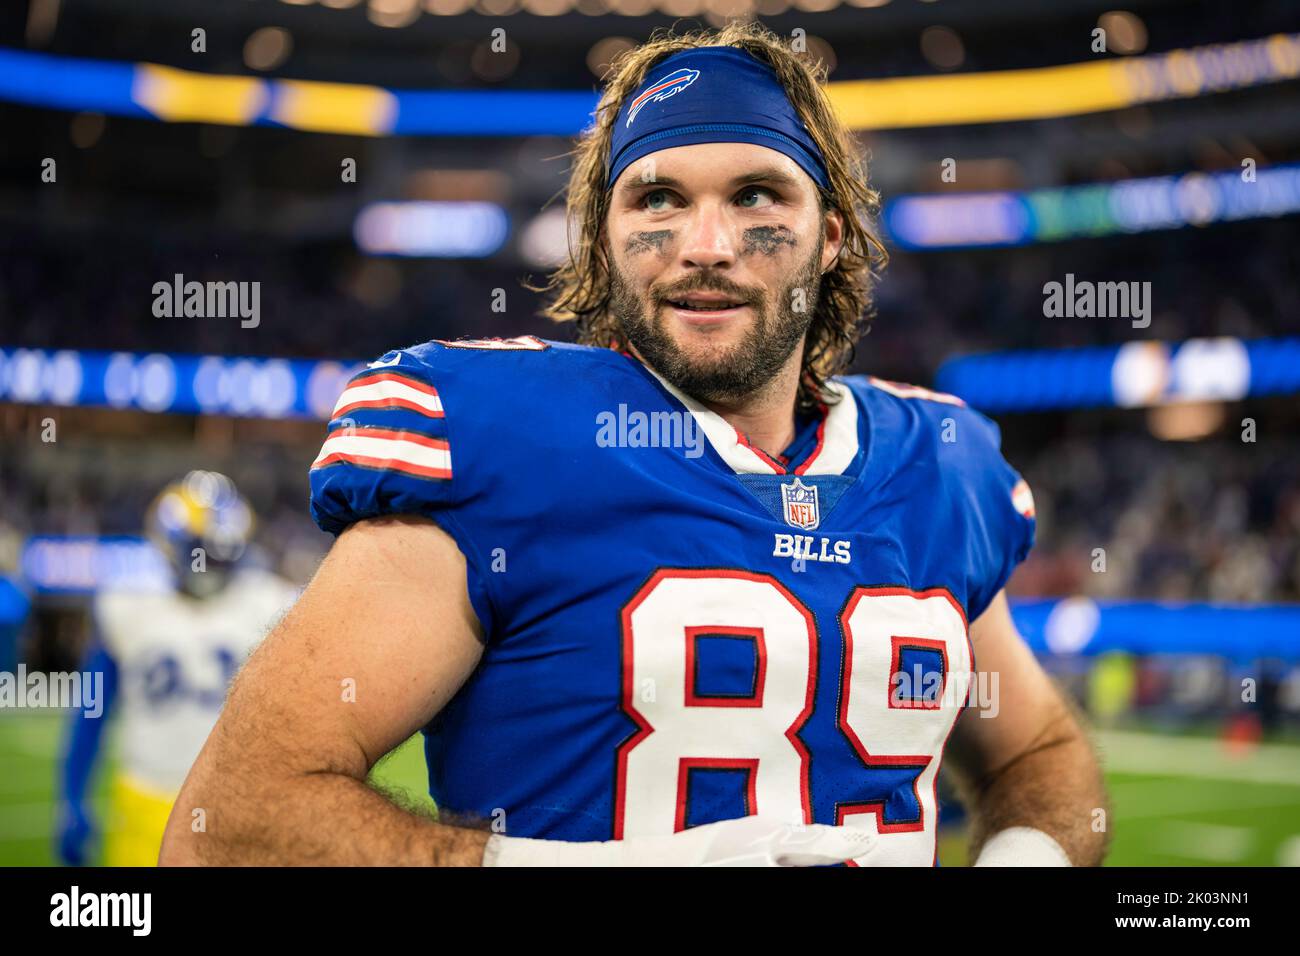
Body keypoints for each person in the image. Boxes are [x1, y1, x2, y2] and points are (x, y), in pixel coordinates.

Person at [161, 22, 1106, 867]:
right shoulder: (501, 440)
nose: (704, 243)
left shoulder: (938, 466)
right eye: (655, 198)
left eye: (756, 195)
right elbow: (229, 825)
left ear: (833, 239)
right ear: (601, 243)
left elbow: (1040, 754)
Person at [57, 471, 297, 866]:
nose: (209, 564)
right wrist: (72, 795)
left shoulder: (269, 603)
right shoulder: (128, 606)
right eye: (200, 549)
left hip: (239, 806)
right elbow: (91, 710)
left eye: (219, 551)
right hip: (147, 797)